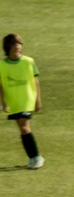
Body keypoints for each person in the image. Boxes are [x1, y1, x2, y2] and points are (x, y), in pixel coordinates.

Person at [2, 32, 43, 169]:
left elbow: (36, 82)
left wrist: (38, 100)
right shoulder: (1, 65)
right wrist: (3, 101)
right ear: (8, 46)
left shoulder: (29, 62)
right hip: (13, 101)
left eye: (20, 43)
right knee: (22, 128)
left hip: (27, 99)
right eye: (15, 43)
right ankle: (32, 158)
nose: (18, 46)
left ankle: (36, 157)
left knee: (24, 127)